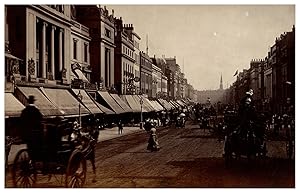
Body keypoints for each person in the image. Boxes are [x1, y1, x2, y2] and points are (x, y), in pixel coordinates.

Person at [20, 95, 43, 161]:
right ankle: (34, 160)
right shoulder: (36, 111)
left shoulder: (24, 111)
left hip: (26, 134)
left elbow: (21, 122)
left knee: (29, 147)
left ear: (27, 101)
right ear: (33, 101)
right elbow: (40, 122)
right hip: (35, 134)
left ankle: (30, 159)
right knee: (36, 149)